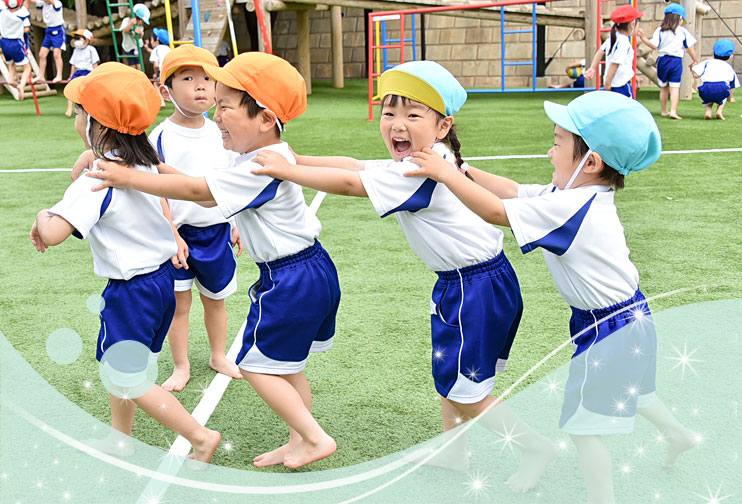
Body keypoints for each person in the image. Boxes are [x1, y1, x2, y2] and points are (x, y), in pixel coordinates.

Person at [250, 60, 557, 491]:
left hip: (473, 288)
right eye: (389, 112)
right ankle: (453, 451)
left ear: (443, 125)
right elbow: (356, 165)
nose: (396, 123)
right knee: (452, 377)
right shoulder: (430, 157)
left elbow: (353, 184)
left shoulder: (419, 169)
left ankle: (534, 447)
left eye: (413, 114)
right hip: (474, 282)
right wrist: (298, 158)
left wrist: (287, 170)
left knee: (465, 390)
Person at [406, 91, 698, 504]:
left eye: (557, 142)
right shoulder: (575, 196)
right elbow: (511, 190)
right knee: (634, 388)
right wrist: (461, 169)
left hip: (611, 328)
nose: (549, 151)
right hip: (625, 316)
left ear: (590, 162)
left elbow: (496, 212)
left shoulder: (571, 207)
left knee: (583, 428)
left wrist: (445, 175)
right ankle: (677, 433)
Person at [85, 53, 341, 470]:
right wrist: (143, 165)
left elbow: (199, 192)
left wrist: (129, 176)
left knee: (255, 366)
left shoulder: (257, 167)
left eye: (225, 107)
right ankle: (300, 439)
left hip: (290, 278)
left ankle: (313, 438)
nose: (216, 115)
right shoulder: (269, 153)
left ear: (265, 118)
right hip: (312, 268)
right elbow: (193, 182)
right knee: (288, 366)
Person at [29, 62, 221, 463]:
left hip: (131, 292)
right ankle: (121, 439)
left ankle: (199, 437)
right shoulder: (144, 162)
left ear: (97, 124)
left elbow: (54, 233)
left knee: (125, 375)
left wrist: (42, 215)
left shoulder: (99, 178)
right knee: (127, 366)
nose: (76, 120)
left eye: (80, 113)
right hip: (160, 284)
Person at [150, 44, 243, 391]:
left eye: (207, 78)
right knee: (179, 304)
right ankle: (181, 365)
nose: (200, 86)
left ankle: (218, 355)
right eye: (188, 79)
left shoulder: (224, 130)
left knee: (216, 300)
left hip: (217, 231)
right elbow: (155, 190)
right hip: (177, 236)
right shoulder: (159, 137)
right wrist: (171, 233)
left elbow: (234, 181)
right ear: (166, 91)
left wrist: (236, 222)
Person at [637, 3, 699, 119]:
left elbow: (654, 45)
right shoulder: (682, 32)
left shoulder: (660, 30)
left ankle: (664, 110)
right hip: (676, 61)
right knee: (675, 87)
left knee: (664, 87)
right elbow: (690, 49)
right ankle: (673, 111)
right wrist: (695, 60)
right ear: (680, 18)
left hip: (663, 61)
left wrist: (644, 38)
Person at [584, 4, 643, 98]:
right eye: (638, 26)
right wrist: (608, 83)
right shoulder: (623, 43)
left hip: (614, 83)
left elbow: (600, 51)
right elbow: (615, 64)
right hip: (620, 85)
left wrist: (593, 68)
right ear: (632, 24)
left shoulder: (613, 38)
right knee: (628, 106)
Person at [691, 39, 740, 120]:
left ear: (712, 53)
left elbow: (695, 75)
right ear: (731, 56)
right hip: (721, 89)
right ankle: (719, 111)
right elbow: (732, 85)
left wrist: (692, 67)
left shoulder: (707, 62)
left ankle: (708, 111)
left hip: (706, 90)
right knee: (724, 96)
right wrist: (730, 98)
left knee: (708, 99)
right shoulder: (728, 67)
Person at [0, 0, 32, 100]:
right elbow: (26, 4)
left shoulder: (3, 12)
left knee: (11, 63)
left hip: (4, 42)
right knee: (27, 68)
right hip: (15, 43)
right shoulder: (22, 13)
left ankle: (11, 79)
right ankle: (21, 85)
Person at [65, 29, 99, 117]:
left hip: (88, 71)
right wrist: (71, 75)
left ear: (87, 40)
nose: (76, 41)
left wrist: (96, 75)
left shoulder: (91, 50)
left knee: (86, 90)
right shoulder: (76, 50)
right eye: (75, 39)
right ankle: (69, 108)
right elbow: (73, 64)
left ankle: (89, 108)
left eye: (78, 38)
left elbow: (95, 64)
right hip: (78, 71)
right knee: (71, 86)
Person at [35, 0, 64, 82]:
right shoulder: (43, 3)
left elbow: (52, 2)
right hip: (48, 30)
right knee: (42, 54)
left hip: (58, 30)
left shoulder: (57, 3)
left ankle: (59, 75)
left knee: (56, 54)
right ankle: (41, 75)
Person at [144, 27, 171, 107]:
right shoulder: (168, 49)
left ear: (157, 41)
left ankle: (161, 102)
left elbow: (156, 65)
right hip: (170, 71)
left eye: (152, 39)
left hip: (161, 72)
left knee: (156, 84)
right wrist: (147, 49)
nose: (151, 41)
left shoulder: (156, 49)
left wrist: (155, 74)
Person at [119, 3, 149, 69]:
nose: (143, 23)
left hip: (137, 46)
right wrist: (131, 24)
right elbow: (124, 30)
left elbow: (140, 37)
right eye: (142, 21)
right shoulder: (126, 20)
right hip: (128, 46)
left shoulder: (140, 26)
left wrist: (140, 33)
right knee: (132, 65)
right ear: (137, 17)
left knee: (138, 64)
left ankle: (140, 74)